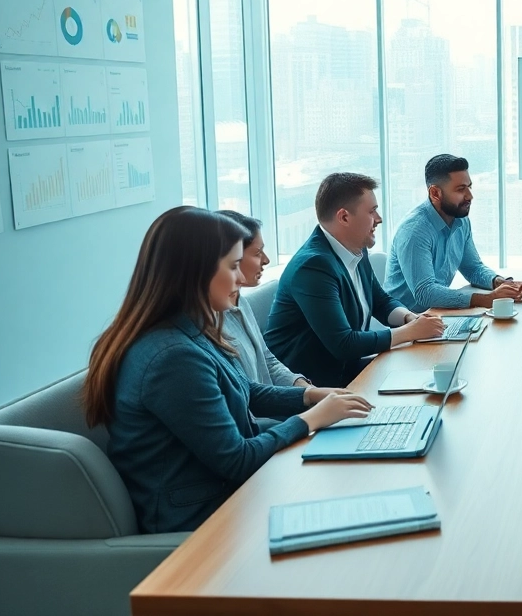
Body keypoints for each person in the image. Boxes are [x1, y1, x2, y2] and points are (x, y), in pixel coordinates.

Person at [82, 207, 374, 534]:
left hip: (229, 494)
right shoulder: (172, 357)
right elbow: (237, 460)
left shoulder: (191, 330)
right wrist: (311, 420)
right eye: (234, 266)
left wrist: (308, 396)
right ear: (196, 271)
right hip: (203, 520)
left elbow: (243, 389)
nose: (239, 278)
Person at [266, 173, 445, 388]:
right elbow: (344, 344)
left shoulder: (355, 248)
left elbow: (381, 302)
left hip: (345, 371)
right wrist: (410, 333)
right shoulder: (313, 266)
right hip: (313, 387)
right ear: (344, 217)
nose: (378, 218)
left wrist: (410, 318)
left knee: (429, 375)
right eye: (371, 211)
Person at [384, 154, 522, 312]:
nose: (470, 196)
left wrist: (500, 283)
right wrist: (487, 299)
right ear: (435, 193)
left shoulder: (461, 220)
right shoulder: (414, 231)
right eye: (460, 189)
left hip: (439, 314)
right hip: (407, 323)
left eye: (469, 187)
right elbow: (425, 293)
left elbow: (473, 268)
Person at [217, 210, 312, 389]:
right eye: (257, 253)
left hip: (274, 405)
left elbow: (267, 361)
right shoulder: (206, 324)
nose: (266, 260)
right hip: (261, 415)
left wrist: (308, 390)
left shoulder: (241, 301)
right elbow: (249, 399)